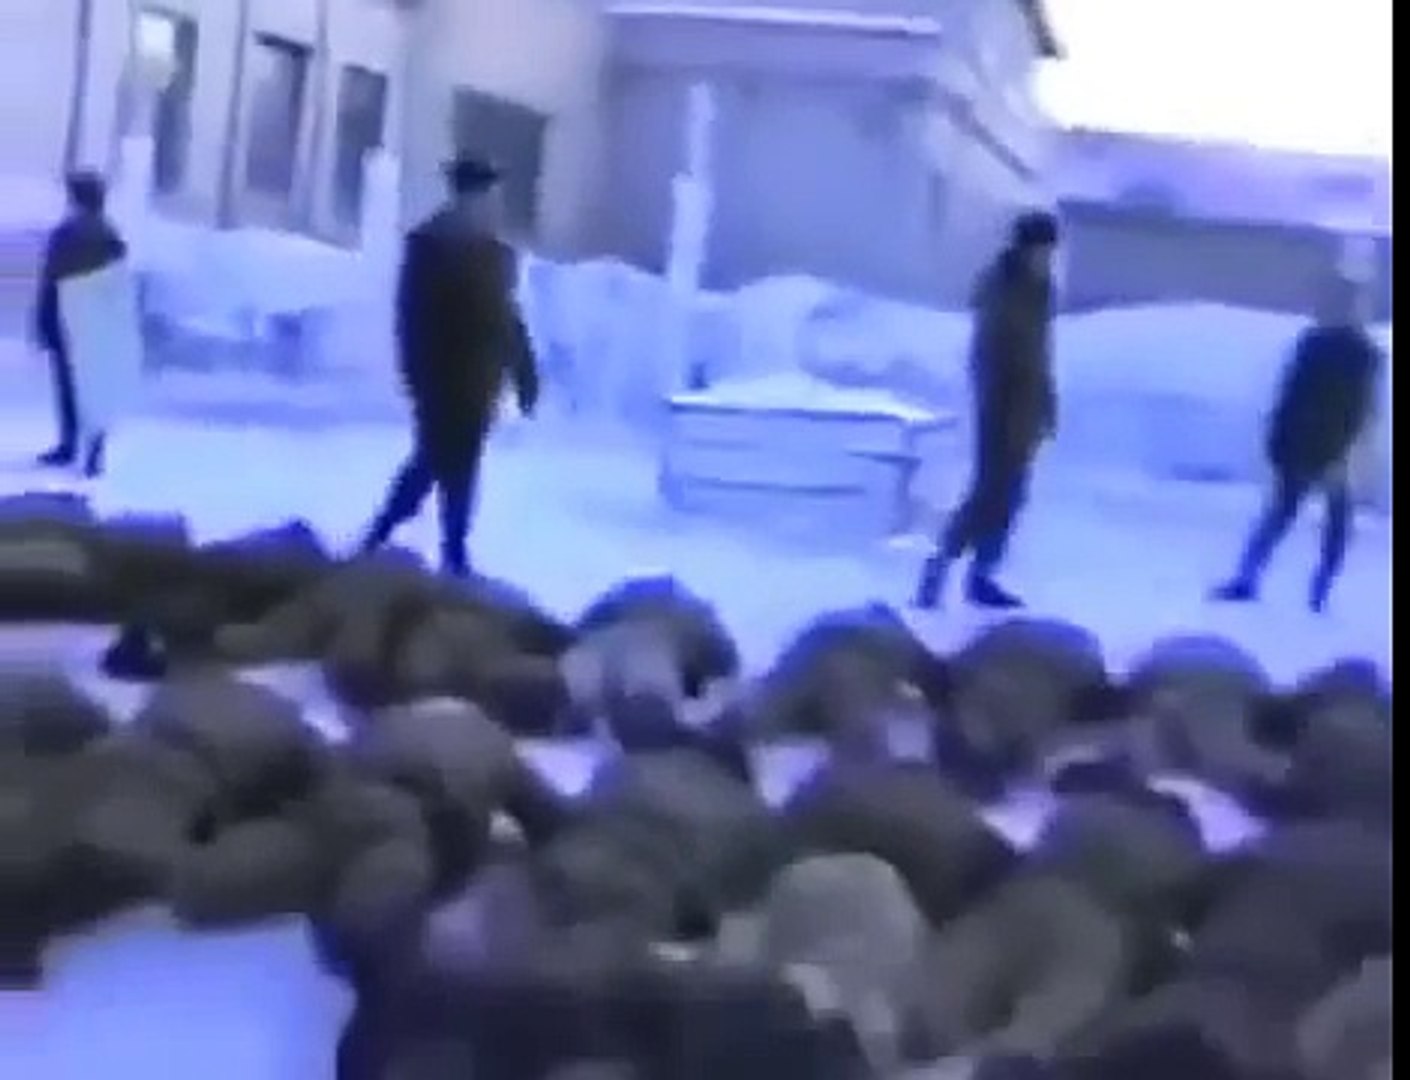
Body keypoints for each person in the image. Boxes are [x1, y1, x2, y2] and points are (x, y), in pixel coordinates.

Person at [358, 155, 540, 576]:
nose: (490, 202)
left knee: (446, 464)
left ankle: (407, 542)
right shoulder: (432, 246)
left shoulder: (493, 251)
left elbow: (507, 317)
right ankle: (431, 548)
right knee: (442, 464)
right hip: (445, 380)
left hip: (478, 381)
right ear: (467, 194)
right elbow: (412, 319)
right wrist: (417, 376)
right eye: (485, 192)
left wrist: (524, 373)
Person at [914, 210, 1061, 610]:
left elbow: (1041, 353)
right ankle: (938, 568)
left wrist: (1046, 403)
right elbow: (990, 354)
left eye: (1050, 251)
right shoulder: (1003, 288)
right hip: (999, 404)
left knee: (1011, 497)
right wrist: (1000, 404)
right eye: (1042, 250)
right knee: (987, 494)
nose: (1047, 258)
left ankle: (982, 576)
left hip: (1026, 406)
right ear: (1026, 248)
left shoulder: (1040, 291)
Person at [1211, 274, 1383, 613]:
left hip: (1330, 446)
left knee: (1316, 521)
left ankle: (1310, 589)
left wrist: (1346, 448)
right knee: (1296, 517)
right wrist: (1281, 441)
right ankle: (1267, 582)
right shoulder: (1323, 346)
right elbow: (1293, 398)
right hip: (1312, 444)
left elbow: (1357, 407)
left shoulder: (1357, 353)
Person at [31, 169, 128, 477]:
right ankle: (94, 453)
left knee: (68, 385)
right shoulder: (110, 233)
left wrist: (43, 322)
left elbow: (51, 279)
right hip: (98, 319)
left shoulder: (66, 233)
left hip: (67, 315)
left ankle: (68, 445)